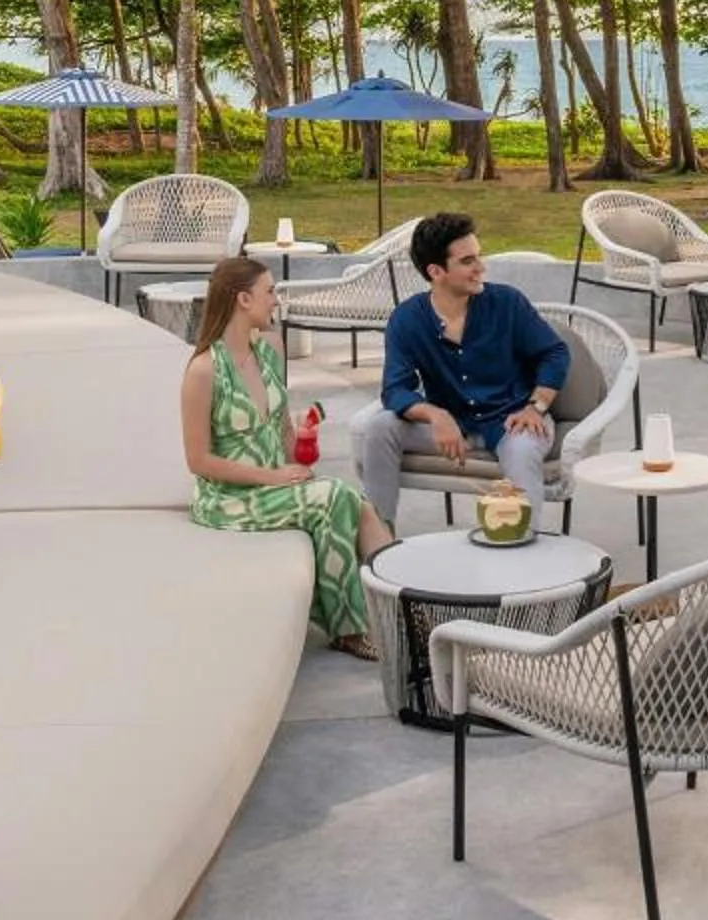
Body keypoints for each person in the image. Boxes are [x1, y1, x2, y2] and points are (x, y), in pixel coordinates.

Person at [183, 256, 390, 660]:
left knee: (356, 502)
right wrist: (271, 477)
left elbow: (283, 434)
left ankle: (407, 606)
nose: (275, 301)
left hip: (272, 483)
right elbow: (198, 461)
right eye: (269, 292)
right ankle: (349, 628)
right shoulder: (203, 370)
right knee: (333, 498)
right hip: (228, 498)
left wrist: (303, 440)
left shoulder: (267, 353)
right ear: (243, 299)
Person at [353, 213, 571, 533]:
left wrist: (536, 405)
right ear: (436, 271)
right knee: (380, 427)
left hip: (513, 420)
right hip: (454, 427)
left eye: (478, 256)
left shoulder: (506, 303)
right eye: (467, 261)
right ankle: (377, 540)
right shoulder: (407, 319)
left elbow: (554, 352)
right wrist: (435, 415)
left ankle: (524, 553)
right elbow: (395, 390)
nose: (480, 267)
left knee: (523, 450)